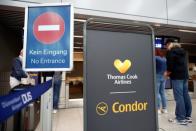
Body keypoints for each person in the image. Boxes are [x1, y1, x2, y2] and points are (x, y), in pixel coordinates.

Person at [166, 40, 192, 125]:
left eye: (166, 45)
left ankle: (180, 118)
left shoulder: (171, 52)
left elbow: (170, 65)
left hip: (177, 77)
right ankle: (187, 116)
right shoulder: (183, 51)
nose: (166, 47)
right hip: (185, 76)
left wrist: (167, 73)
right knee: (185, 95)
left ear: (170, 44)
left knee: (179, 97)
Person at [155, 49, 168, 114]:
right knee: (162, 92)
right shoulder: (165, 59)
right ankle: (165, 109)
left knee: (157, 93)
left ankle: (158, 109)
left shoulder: (155, 58)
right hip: (164, 76)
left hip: (157, 75)